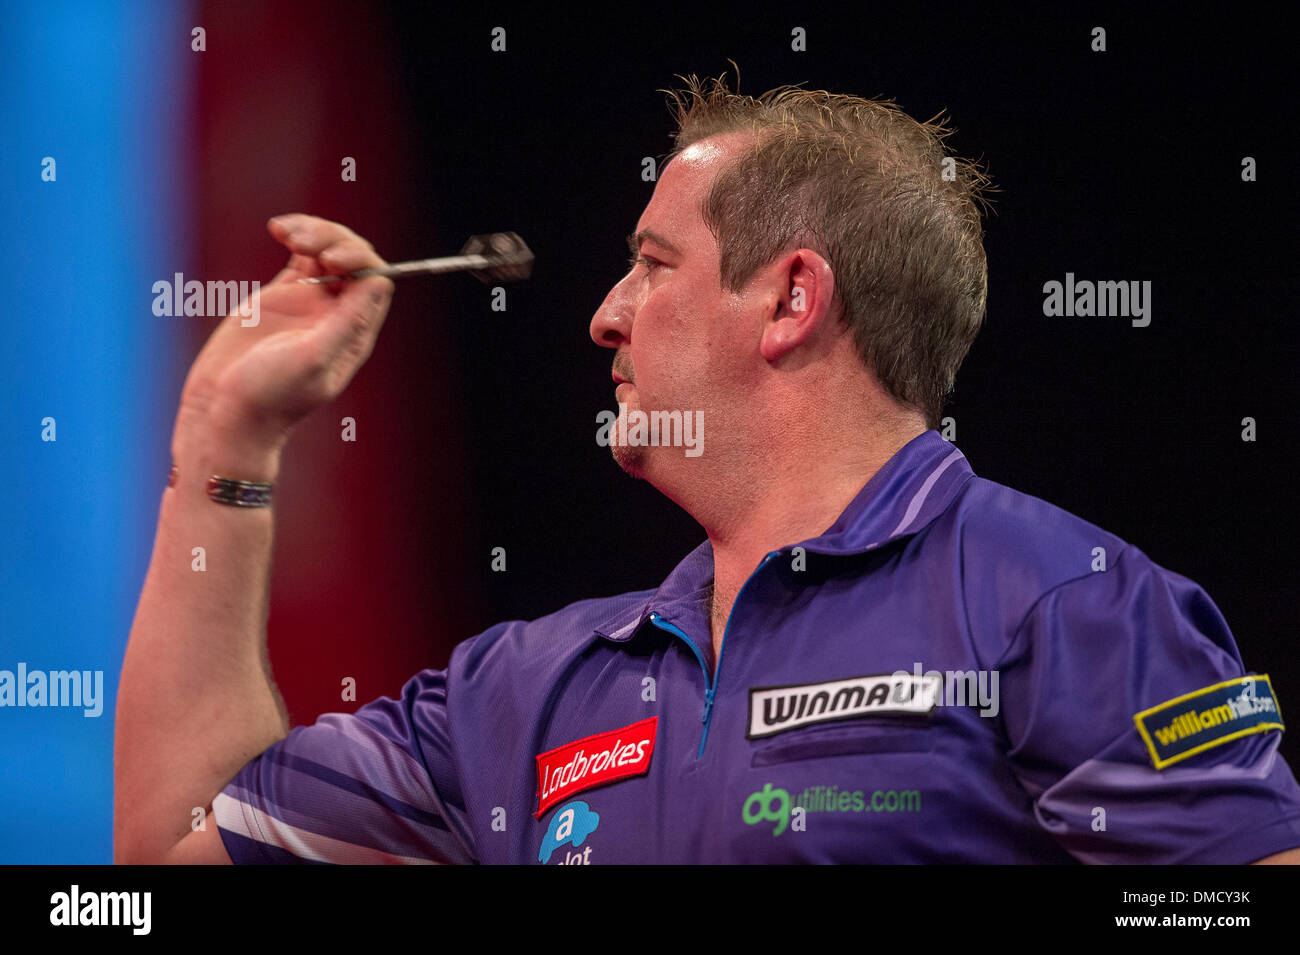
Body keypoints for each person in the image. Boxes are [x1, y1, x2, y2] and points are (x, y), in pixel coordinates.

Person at [115, 74, 1300, 864]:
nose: (602, 317)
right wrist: (225, 439)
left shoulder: (1067, 603)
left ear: (789, 298)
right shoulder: (528, 690)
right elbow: (168, 851)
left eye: (651, 264)